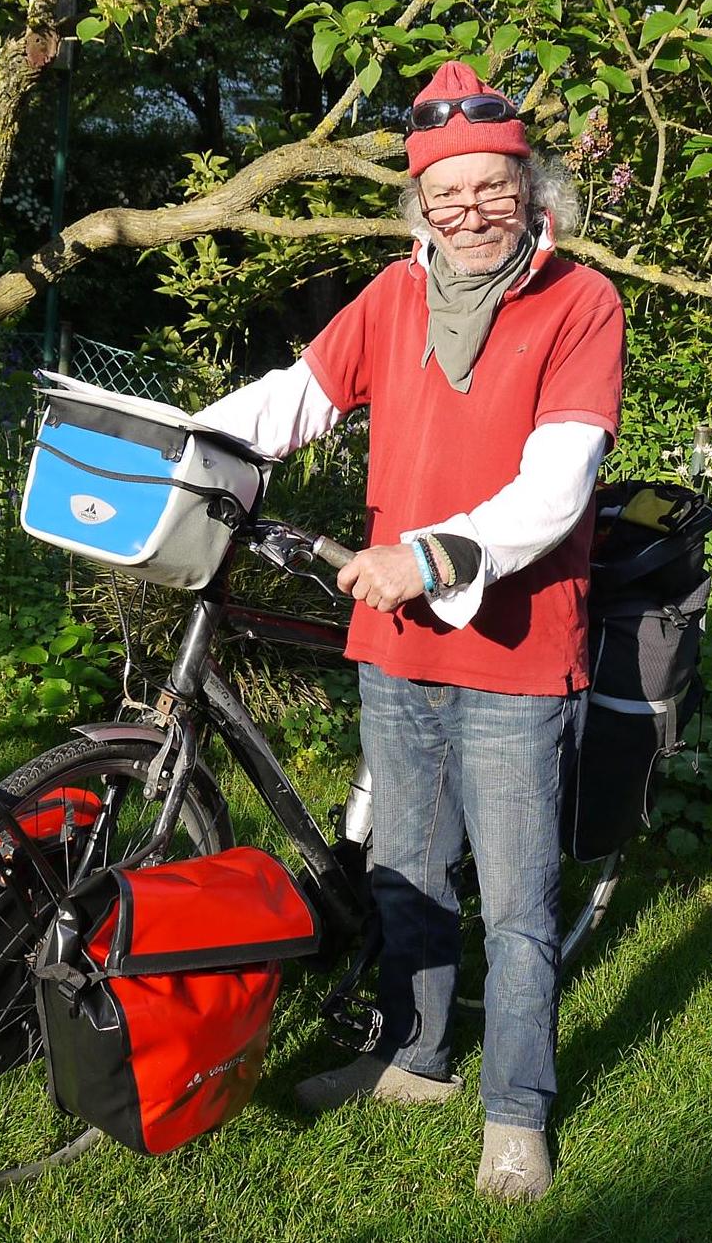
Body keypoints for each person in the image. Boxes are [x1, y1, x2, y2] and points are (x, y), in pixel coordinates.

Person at [196, 59, 624, 1202]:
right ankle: (417, 1056)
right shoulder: (390, 298)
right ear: (420, 204)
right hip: (395, 649)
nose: (469, 208)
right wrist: (177, 444)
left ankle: (517, 1111)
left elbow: (556, 484)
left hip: (517, 655)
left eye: (492, 186)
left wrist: (427, 556)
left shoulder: (580, 303)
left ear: (534, 192)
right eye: (447, 192)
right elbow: (292, 400)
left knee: (517, 904)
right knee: (407, 872)